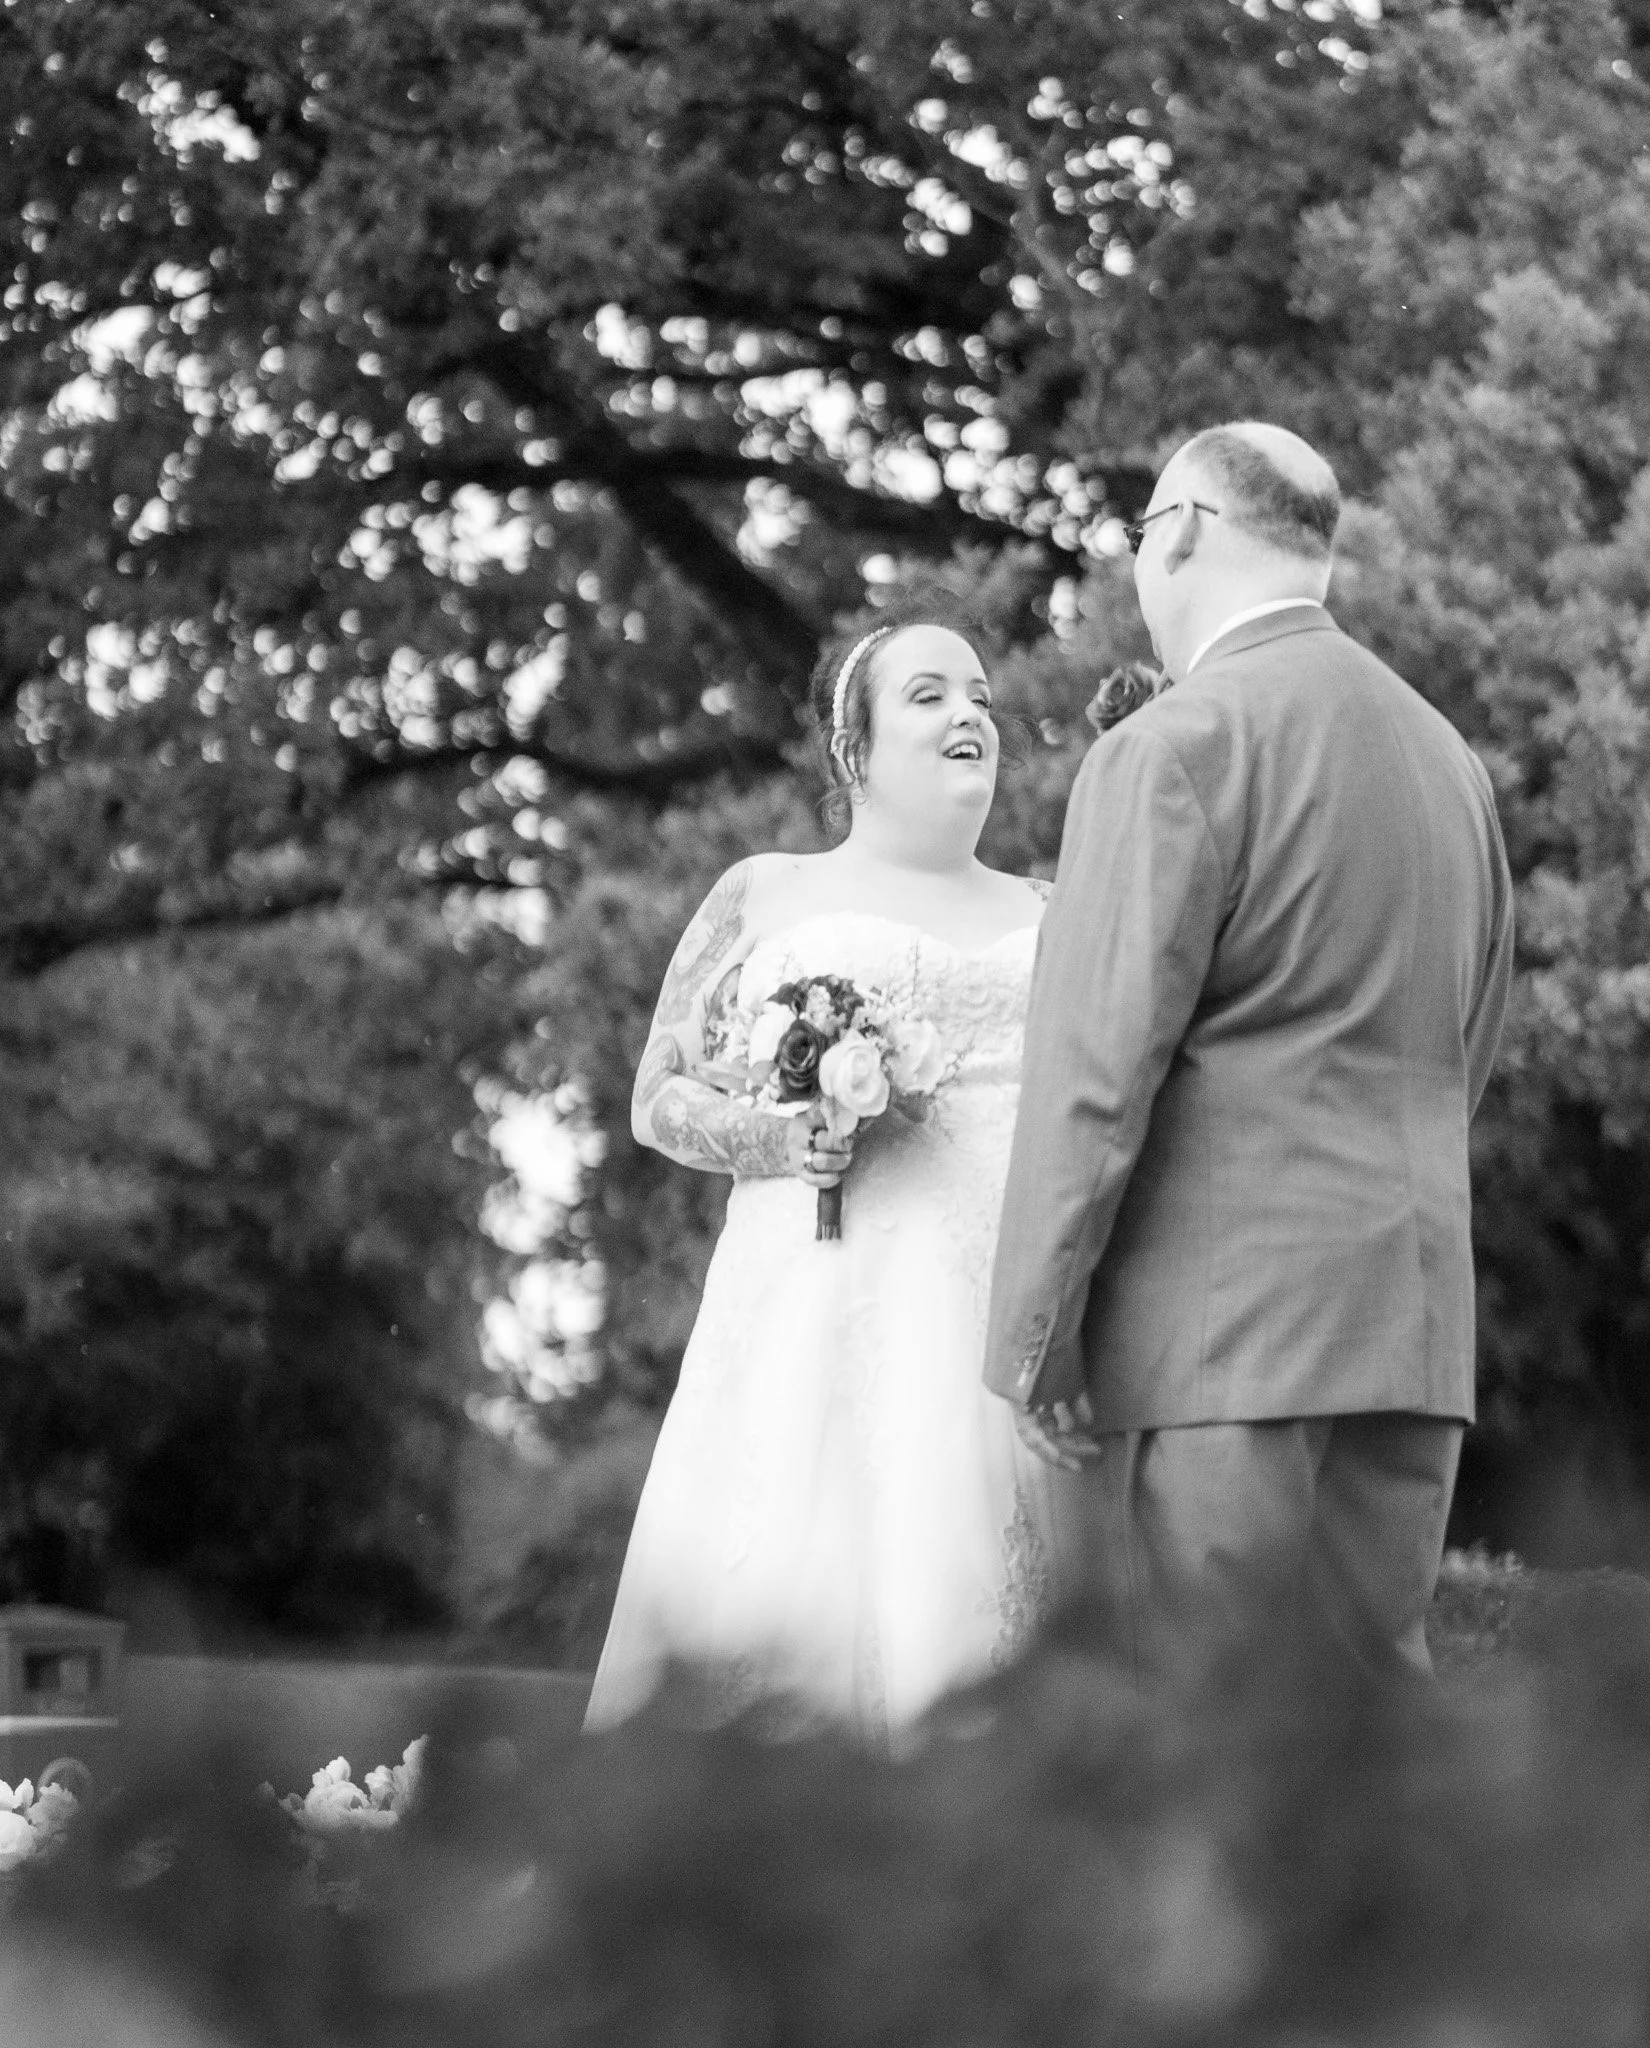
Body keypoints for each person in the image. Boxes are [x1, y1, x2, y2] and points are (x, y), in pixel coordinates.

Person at [984, 421, 1515, 1680]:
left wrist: (1038, 1334)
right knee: (1366, 1745)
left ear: (1182, 531)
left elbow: (1095, 1073)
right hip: (1412, 1324)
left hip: (1218, 1343)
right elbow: (1471, 1035)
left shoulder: (1172, 746)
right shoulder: (1450, 761)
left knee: (1209, 1744)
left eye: (1137, 534)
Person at [584, 606, 1053, 1743]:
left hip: (1009, 1293)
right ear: (853, 750)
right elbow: (659, 1094)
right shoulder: (767, 891)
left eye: (983, 696)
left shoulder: (1053, 911)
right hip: (821, 1292)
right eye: (931, 693)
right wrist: (780, 1140)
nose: (969, 714)